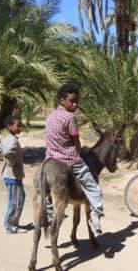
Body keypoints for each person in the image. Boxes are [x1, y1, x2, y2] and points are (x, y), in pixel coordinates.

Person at [45, 83, 103, 234]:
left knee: (44, 188)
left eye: (77, 101)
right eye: (72, 101)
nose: (75, 104)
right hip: (68, 159)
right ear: (62, 100)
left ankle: (49, 210)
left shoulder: (51, 115)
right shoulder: (70, 117)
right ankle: (96, 213)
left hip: (50, 158)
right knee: (93, 186)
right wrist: (78, 153)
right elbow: (76, 142)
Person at [1, 115, 25, 234]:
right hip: (13, 176)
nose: (20, 127)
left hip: (12, 176)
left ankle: (12, 223)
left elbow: (1, 149)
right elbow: (7, 153)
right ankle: (10, 226)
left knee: (18, 199)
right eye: (18, 125)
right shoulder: (12, 140)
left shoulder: (9, 138)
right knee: (16, 201)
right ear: (10, 127)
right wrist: (11, 162)